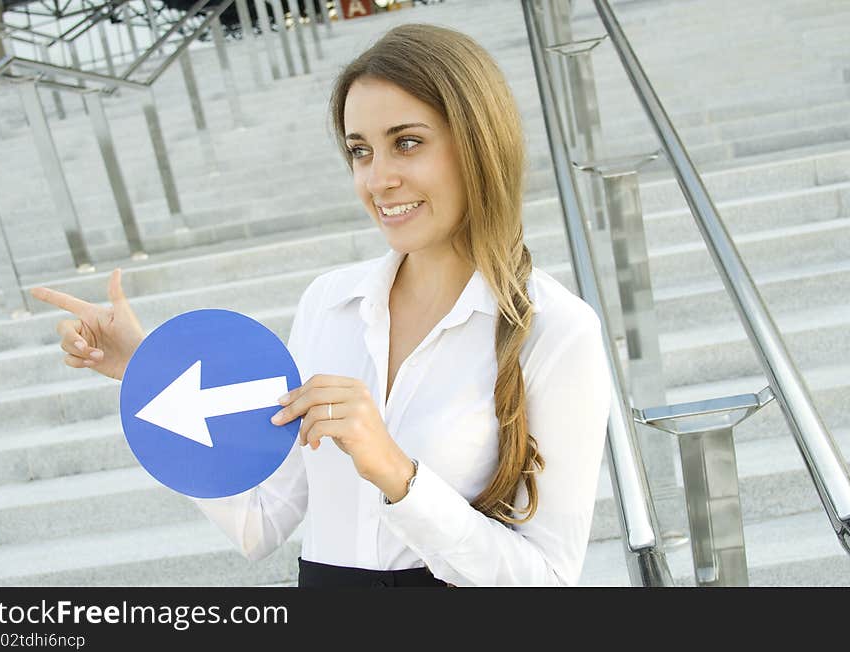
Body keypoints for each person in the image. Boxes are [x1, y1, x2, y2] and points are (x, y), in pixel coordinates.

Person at [30, 23, 611, 587]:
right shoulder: (329, 304)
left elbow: (549, 579)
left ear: (479, 144)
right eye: (360, 151)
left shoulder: (557, 330)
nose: (378, 179)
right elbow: (261, 520)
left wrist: (399, 475)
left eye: (406, 143)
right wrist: (149, 377)